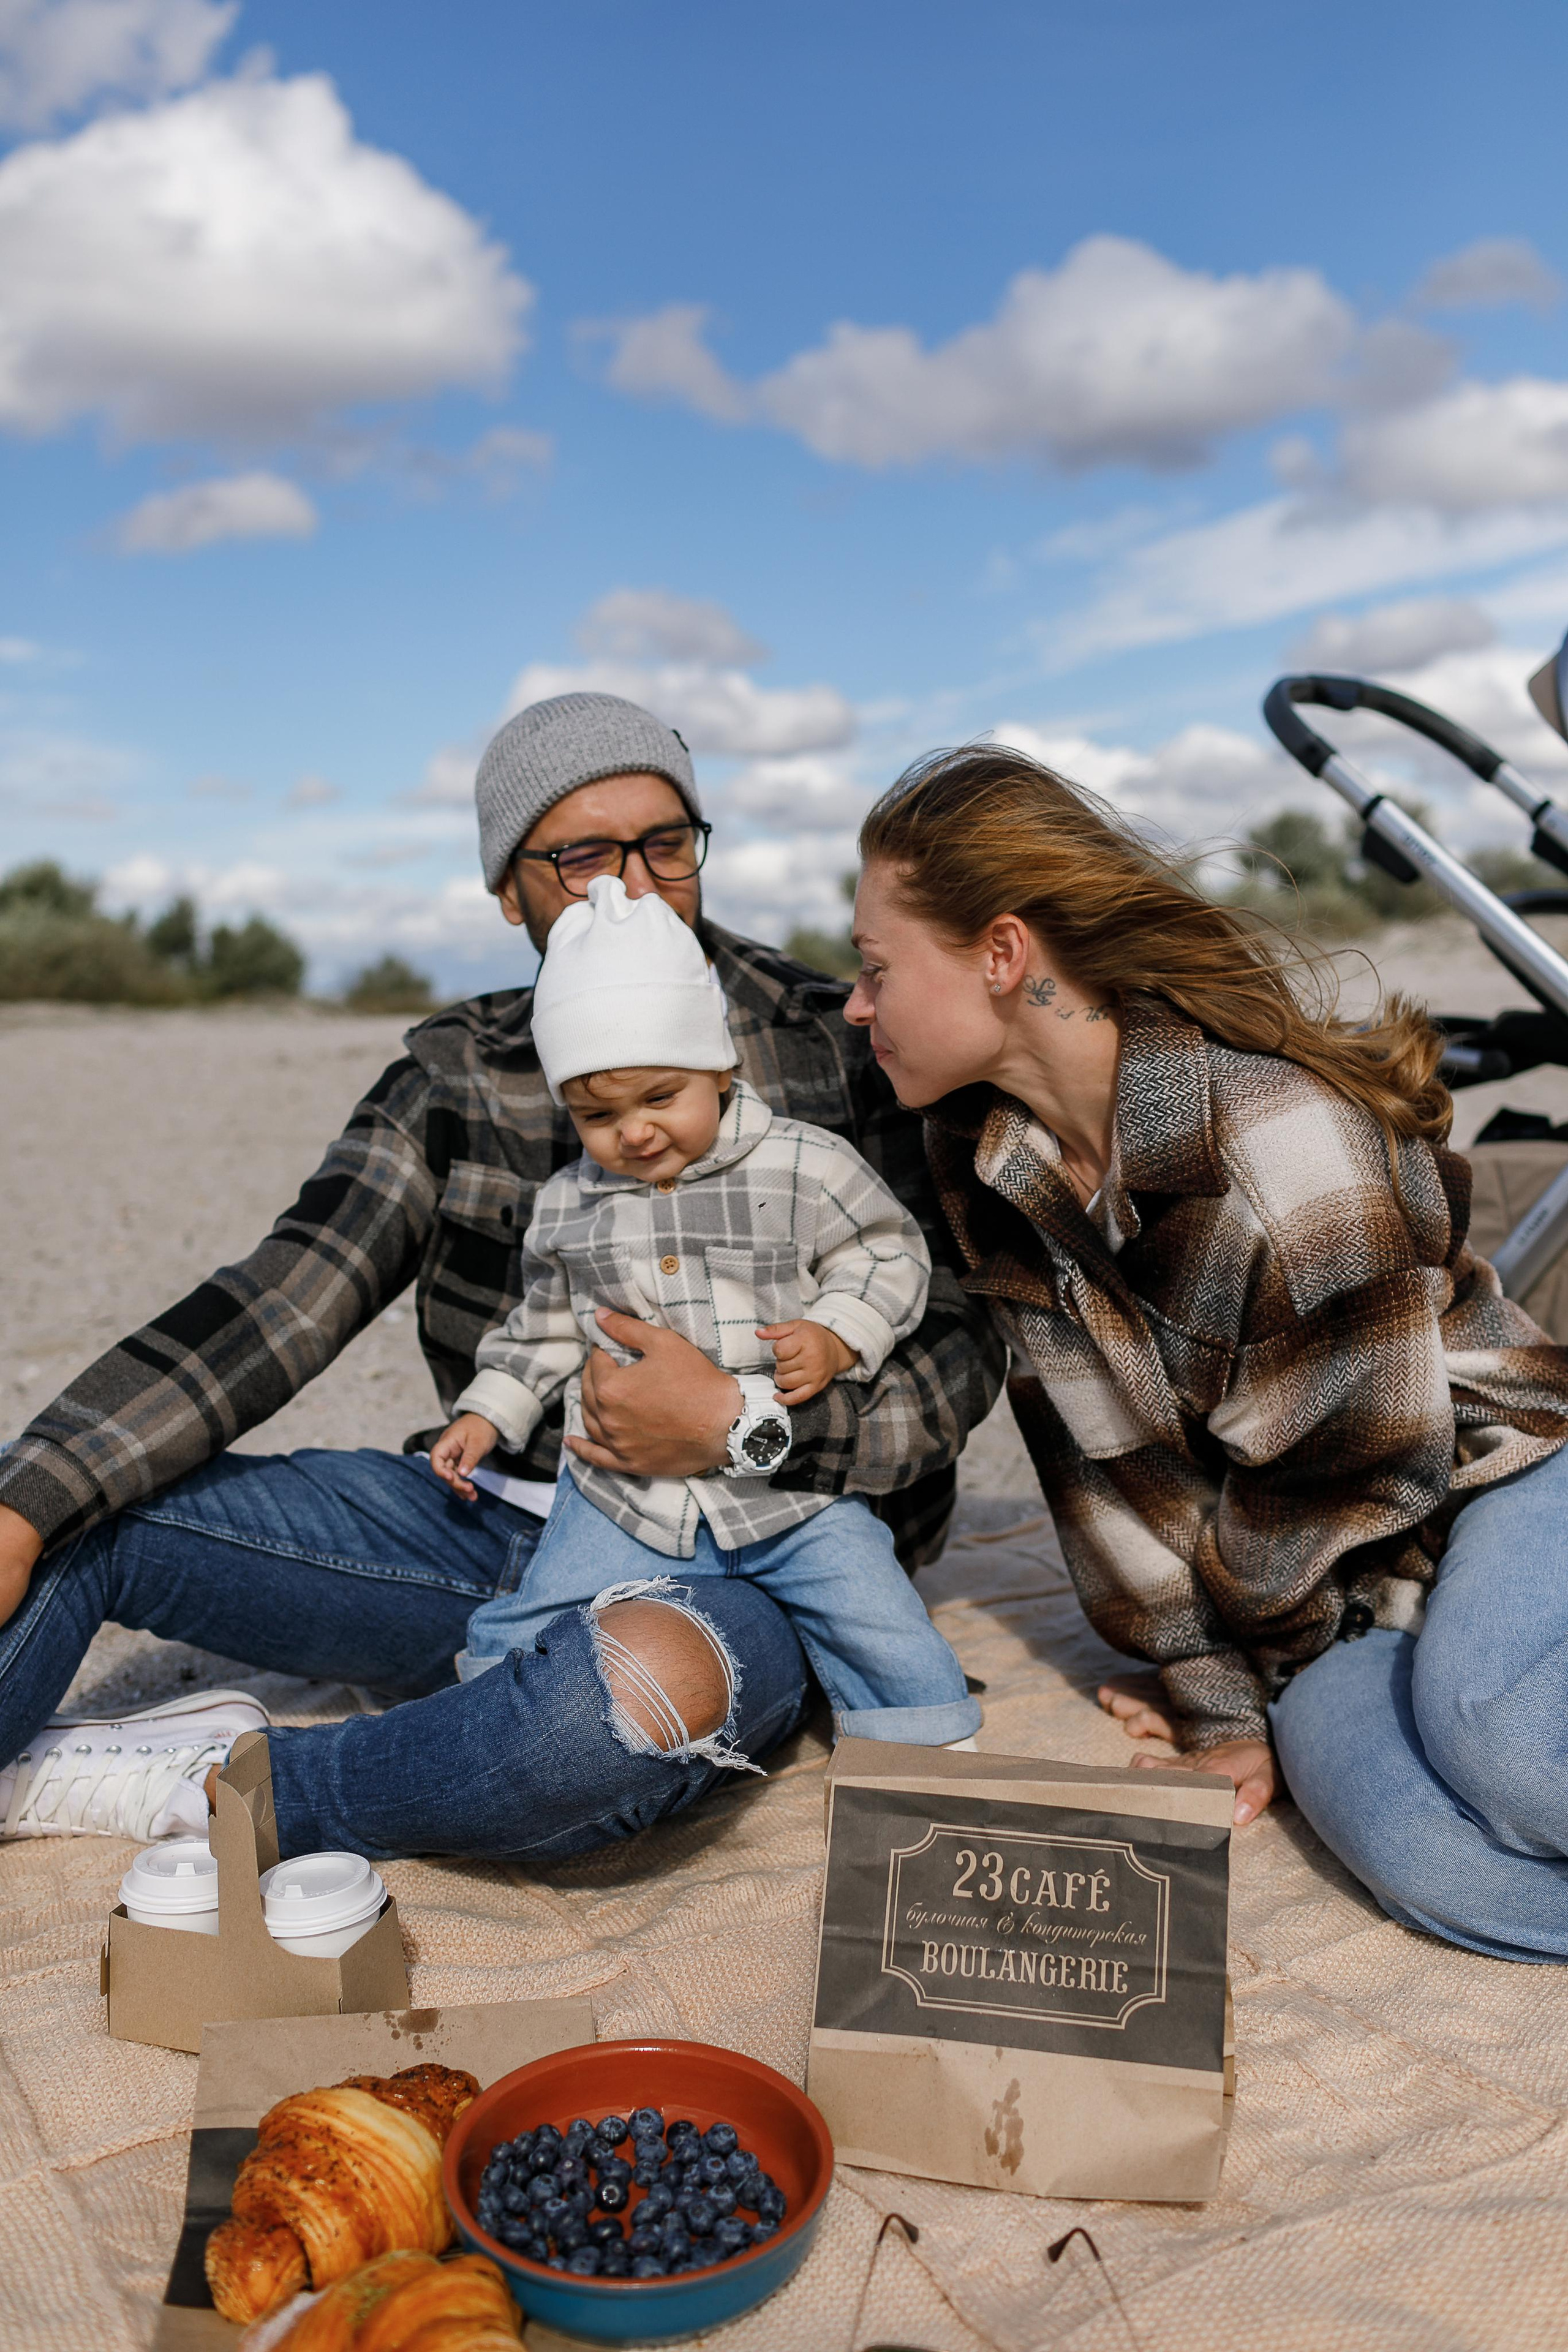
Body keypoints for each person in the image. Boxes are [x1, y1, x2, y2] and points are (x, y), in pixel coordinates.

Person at [0, 694, 1002, 1860]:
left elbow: (958, 1333)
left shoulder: (837, 1039)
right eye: (580, 855)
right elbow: (289, 1294)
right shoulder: (455, 1072)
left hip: (771, 1547)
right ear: (507, 887)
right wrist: (34, 1493)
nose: (631, 884)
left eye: (664, 845)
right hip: (500, 1526)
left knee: (621, 1703)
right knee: (69, 1502)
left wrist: (743, 1427)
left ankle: (213, 1787)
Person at [845, 742, 1568, 1963]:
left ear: (1002, 954)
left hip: (1485, 1481)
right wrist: (1217, 1703)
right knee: (1424, 1856)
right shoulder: (988, 1160)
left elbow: (1364, 1472)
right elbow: (1101, 1468)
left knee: (1504, 1754)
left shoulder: (1282, 1148)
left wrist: (1253, 1651)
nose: (854, 1006)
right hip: (1330, 1591)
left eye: (872, 969)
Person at [433, 872, 979, 1749]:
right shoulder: (572, 1203)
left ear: (718, 1068)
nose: (635, 1132)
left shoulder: (802, 1166)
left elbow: (887, 1252)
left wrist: (840, 1334)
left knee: (878, 1617)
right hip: (627, 1496)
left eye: (660, 1098)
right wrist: (487, 1412)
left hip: (788, 1492)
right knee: (539, 1607)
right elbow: (540, 1325)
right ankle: (475, 1733)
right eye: (597, 1113)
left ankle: (928, 1761)